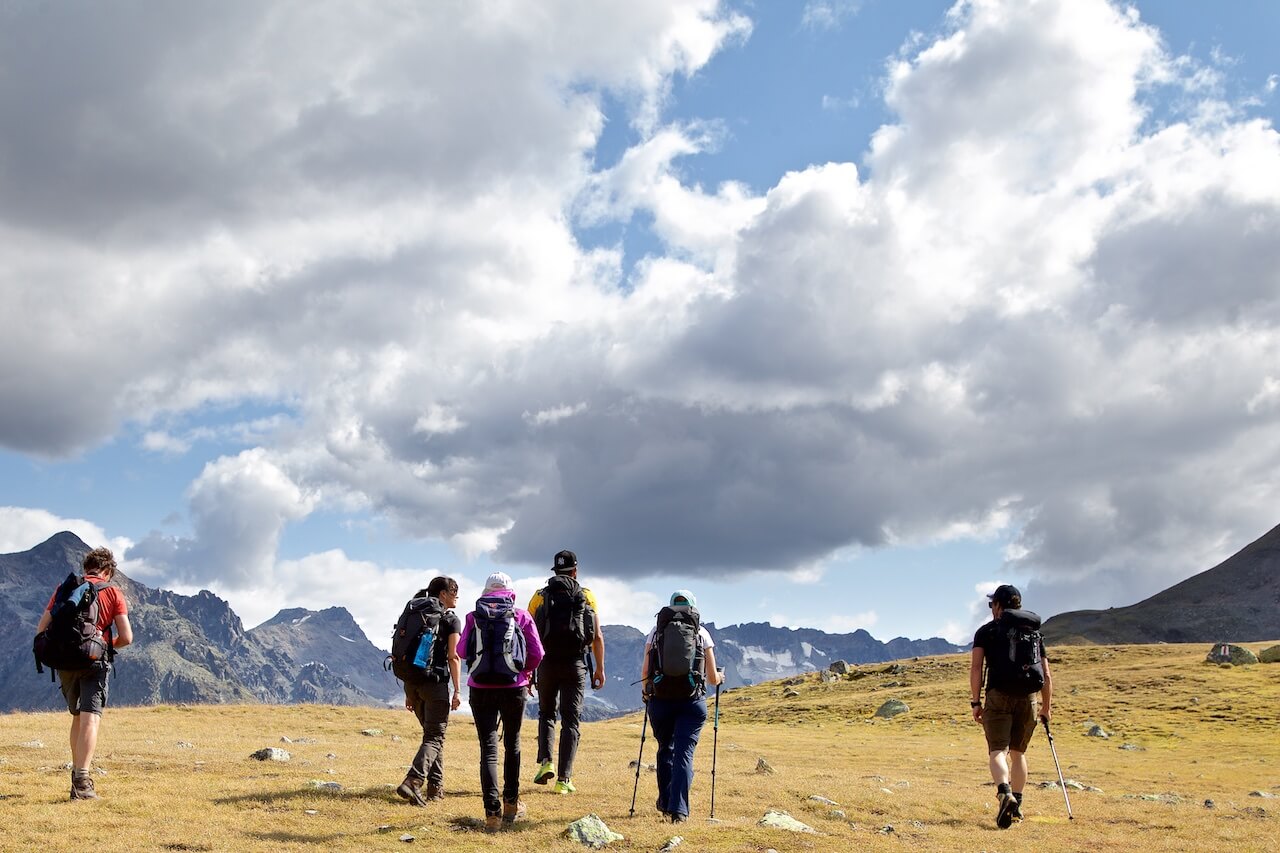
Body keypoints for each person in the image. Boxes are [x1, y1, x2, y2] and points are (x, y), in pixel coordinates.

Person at [34, 546, 133, 800]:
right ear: (108, 570)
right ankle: (81, 782)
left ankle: (77, 779)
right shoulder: (112, 592)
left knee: (77, 717)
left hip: (64, 663)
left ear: (86, 568)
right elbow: (127, 637)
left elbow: (41, 628)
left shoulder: (65, 589)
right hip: (94, 663)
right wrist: (104, 644)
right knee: (91, 718)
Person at [457, 571, 544, 832]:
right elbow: (538, 653)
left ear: (486, 591)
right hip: (513, 687)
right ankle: (510, 804)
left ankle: (491, 814)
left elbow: (461, 651)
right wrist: (524, 673)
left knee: (488, 749)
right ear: (511, 592)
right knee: (512, 744)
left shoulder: (474, 616)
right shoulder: (520, 615)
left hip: (480, 688)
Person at [970, 584, 1053, 829]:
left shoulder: (987, 631)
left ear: (997, 605)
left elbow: (976, 668)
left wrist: (976, 702)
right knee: (1018, 753)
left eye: (991, 604)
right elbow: (1046, 674)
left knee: (997, 750)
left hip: (998, 694)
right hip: (1029, 697)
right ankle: (1017, 804)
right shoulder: (1034, 633)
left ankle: (1004, 793)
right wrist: (1046, 707)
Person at [640, 589, 723, 823]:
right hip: (692, 702)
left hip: (661, 702)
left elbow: (646, 670)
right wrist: (720, 678)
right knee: (684, 754)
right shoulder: (701, 633)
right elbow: (712, 678)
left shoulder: (656, 631)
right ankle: (679, 810)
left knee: (665, 748)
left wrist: (646, 692)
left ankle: (665, 802)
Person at [527, 549, 605, 794]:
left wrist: (529, 671)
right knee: (571, 720)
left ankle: (545, 762)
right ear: (575, 570)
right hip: (576, 663)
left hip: (547, 663)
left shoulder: (539, 597)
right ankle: (564, 779)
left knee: (546, 713)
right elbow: (597, 636)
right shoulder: (587, 596)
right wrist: (600, 668)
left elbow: (529, 636)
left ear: (555, 571)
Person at [395, 576, 463, 806]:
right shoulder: (451, 620)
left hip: (412, 682)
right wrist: (457, 691)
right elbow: (453, 657)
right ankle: (413, 781)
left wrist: (408, 691)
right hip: (435, 684)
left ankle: (436, 789)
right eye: (454, 591)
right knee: (435, 737)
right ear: (442, 594)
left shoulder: (415, 613)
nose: (456, 595)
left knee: (432, 737)